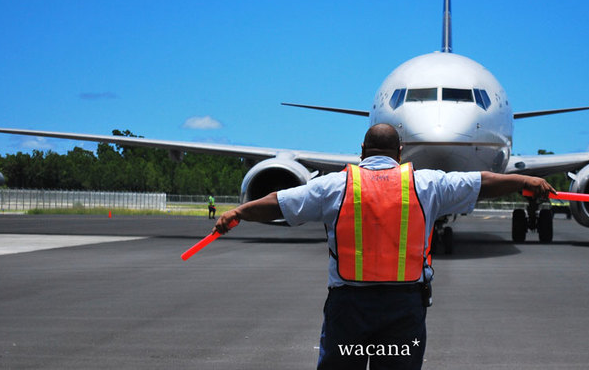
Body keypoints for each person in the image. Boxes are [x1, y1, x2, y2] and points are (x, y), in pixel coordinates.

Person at [214, 123, 554, 369]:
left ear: (362, 152)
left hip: (348, 308)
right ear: (400, 152)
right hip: (403, 309)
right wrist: (525, 180)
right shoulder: (426, 183)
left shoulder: (335, 185)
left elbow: (279, 202)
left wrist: (238, 212)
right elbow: (482, 183)